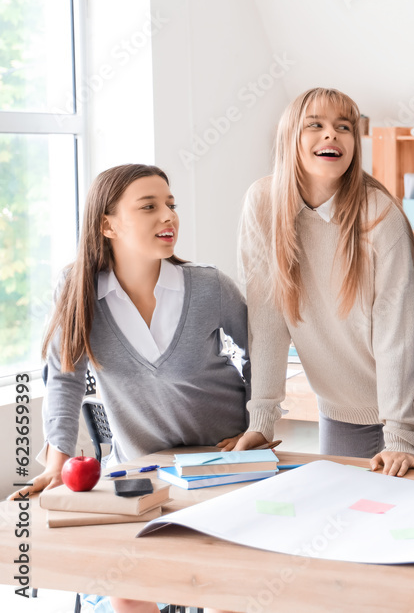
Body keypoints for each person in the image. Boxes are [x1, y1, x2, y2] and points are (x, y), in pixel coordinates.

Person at [8, 163, 249, 613]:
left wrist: (257, 425)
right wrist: (54, 465)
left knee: (222, 591)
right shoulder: (77, 289)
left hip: (222, 464)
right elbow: (64, 375)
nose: (168, 217)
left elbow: (264, 351)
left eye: (171, 205)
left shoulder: (208, 286)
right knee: (128, 592)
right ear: (107, 224)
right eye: (149, 207)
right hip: (141, 469)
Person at [231, 88, 414, 477]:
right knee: (343, 513)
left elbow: (394, 330)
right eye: (314, 125)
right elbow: (266, 321)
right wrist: (261, 421)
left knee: (410, 516)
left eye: (343, 127)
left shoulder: (379, 213)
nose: (331, 135)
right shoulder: (262, 204)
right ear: (289, 138)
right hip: (340, 403)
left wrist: (399, 437)